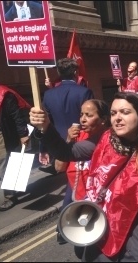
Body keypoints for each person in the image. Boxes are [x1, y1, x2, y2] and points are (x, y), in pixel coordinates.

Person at [30, 92, 138, 262]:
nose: (118, 118)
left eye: (125, 112)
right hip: (98, 233)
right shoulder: (105, 139)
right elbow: (66, 152)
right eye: (114, 113)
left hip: (136, 242)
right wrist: (46, 127)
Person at [40, 57, 94, 244]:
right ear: (75, 73)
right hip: (79, 143)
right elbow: (90, 118)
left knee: (73, 182)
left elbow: (44, 124)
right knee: (74, 183)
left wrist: (43, 148)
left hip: (57, 143)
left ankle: (67, 224)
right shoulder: (84, 91)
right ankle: (62, 227)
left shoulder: (48, 95)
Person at [0, 64, 30, 211]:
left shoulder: (4, 94)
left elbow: (17, 115)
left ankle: (10, 196)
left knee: (3, 167)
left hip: (0, 135)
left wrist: (23, 134)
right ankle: (13, 187)